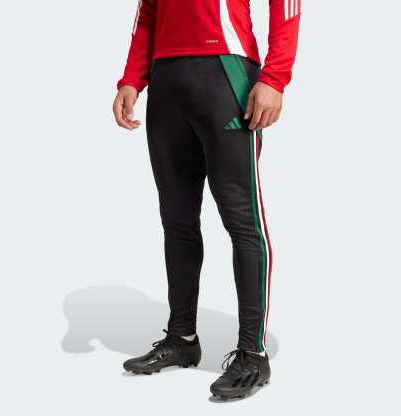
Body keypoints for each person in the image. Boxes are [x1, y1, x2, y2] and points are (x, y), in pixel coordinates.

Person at [113, 0, 300, 400]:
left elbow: (287, 5)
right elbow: (148, 13)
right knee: (177, 220)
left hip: (224, 73)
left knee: (242, 220)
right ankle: (182, 338)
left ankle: (253, 354)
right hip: (166, 81)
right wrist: (131, 78)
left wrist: (275, 78)